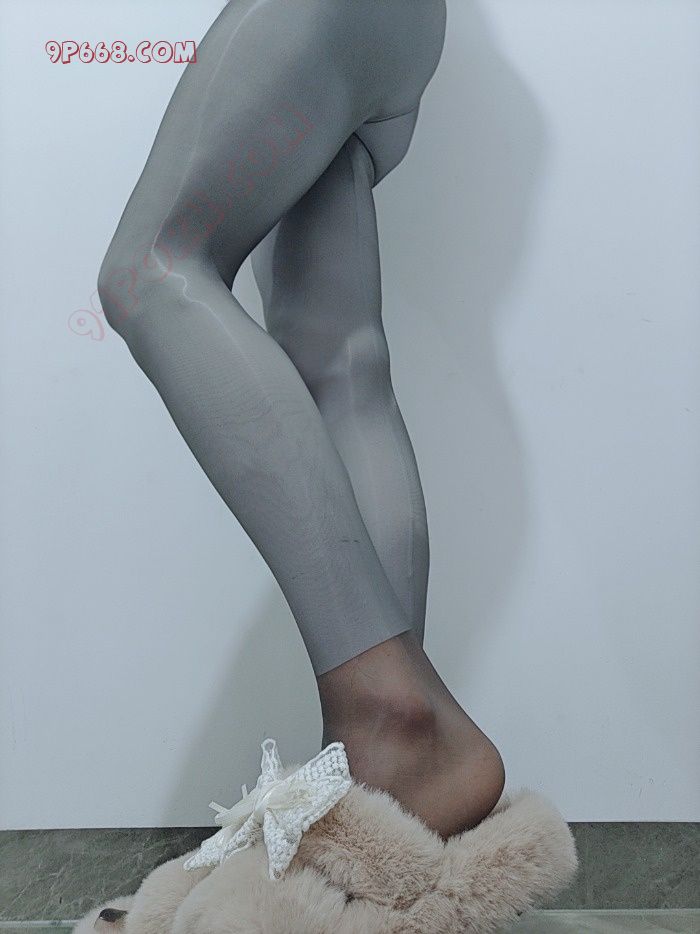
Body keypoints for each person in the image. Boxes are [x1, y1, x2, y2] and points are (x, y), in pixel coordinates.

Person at [97, 0, 505, 837]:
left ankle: (385, 711)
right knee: (339, 365)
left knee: (151, 271)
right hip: (408, 32)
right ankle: (388, 794)